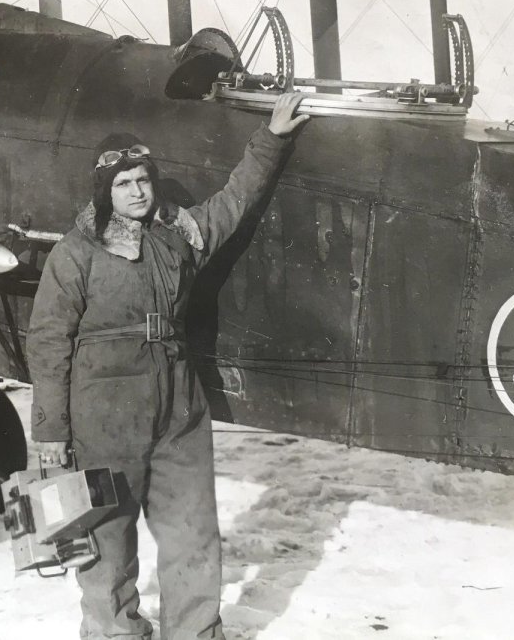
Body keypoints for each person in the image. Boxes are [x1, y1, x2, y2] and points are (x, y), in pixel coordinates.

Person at [26, 93, 310, 639]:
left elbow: (234, 201)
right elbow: (48, 343)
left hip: (178, 407)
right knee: (105, 538)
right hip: (104, 414)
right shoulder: (76, 253)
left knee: (193, 531)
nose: (136, 191)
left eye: (143, 180)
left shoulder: (177, 238)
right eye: (123, 183)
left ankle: (196, 632)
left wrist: (271, 139)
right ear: (104, 192)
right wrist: (51, 434)